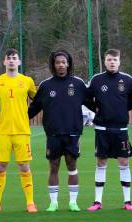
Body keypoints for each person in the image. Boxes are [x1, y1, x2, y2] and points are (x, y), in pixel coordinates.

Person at [28, 50, 92, 212]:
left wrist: (107, 113)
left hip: (72, 132)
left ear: (68, 63)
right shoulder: (46, 85)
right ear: (53, 65)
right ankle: (53, 203)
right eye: (58, 62)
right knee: (54, 166)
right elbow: (33, 109)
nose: (61, 65)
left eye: (64, 62)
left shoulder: (78, 84)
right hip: (53, 133)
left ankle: (73, 202)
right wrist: (20, 120)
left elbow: (92, 104)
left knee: (72, 165)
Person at [0, 48, 38, 214]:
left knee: (24, 166)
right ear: (4, 62)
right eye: (8, 58)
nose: (11, 61)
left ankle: (30, 203)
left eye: (14, 58)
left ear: (19, 62)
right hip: (3, 131)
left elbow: (38, 100)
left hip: (22, 131)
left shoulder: (27, 81)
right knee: (0, 166)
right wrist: (1, 111)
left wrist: (27, 114)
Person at [87, 49, 132, 211]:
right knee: (101, 162)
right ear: (105, 61)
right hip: (102, 129)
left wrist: (121, 110)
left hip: (121, 129)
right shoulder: (97, 80)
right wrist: (98, 110)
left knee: (124, 162)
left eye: (115, 59)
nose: (112, 62)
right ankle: (97, 202)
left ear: (119, 61)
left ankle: (127, 202)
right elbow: (86, 98)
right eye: (109, 60)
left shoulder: (127, 80)